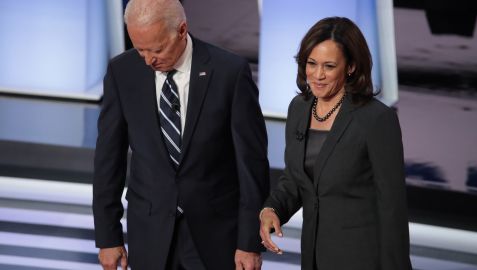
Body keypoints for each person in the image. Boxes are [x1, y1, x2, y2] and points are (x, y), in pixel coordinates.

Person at [92, 0, 270, 269]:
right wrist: (108, 237)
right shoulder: (123, 72)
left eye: (157, 49)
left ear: (182, 30)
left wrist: (249, 242)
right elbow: (108, 160)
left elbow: (252, 166)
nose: (149, 60)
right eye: (140, 50)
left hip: (216, 235)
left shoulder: (229, 72)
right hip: (149, 233)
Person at [259, 17, 412, 270]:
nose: (317, 75)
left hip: (363, 259)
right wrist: (272, 208)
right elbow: (296, 180)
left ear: (350, 67)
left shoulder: (376, 119)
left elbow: (392, 207)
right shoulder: (299, 108)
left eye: (329, 66)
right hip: (313, 257)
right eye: (311, 63)